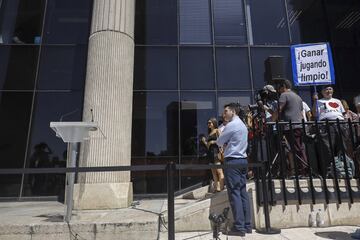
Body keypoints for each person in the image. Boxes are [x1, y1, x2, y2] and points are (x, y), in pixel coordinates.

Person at [216, 103, 252, 237]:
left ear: (233, 112)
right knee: (242, 193)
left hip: (233, 161)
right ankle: (247, 225)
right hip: (243, 160)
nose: (223, 114)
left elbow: (219, 142)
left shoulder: (231, 125)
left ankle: (239, 227)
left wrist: (224, 140)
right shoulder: (242, 124)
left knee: (235, 194)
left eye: (226, 111)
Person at [312, 85, 351, 176]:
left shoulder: (337, 101)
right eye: (326, 89)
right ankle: (330, 171)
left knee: (342, 146)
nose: (328, 91)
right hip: (326, 125)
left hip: (339, 124)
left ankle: (344, 169)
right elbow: (314, 113)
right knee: (327, 148)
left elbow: (342, 113)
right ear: (322, 92)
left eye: (330, 89)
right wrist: (315, 101)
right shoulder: (319, 101)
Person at [274, 79, 308, 177]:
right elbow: (301, 113)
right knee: (299, 147)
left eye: (280, 88)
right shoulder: (298, 96)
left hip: (291, 126)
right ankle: (302, 170)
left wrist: (272, 120)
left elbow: (279, 109)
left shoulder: (284, 95)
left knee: (297, 148)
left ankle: (303, 171)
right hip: (299, 125)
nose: (279, 91)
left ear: (284, 86)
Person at [201, 118, 224, 192]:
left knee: (219, 171)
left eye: (210, 123)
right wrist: (205, 142)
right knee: (213, 172)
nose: (208, 124)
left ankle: (221, 187)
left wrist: (213, 142)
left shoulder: (217, 130)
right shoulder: (209, 133)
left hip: (216, 152)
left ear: (214, 123)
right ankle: (216, 188)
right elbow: (208, 146)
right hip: (210, 153)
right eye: (208, 123)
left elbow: (221, 140)